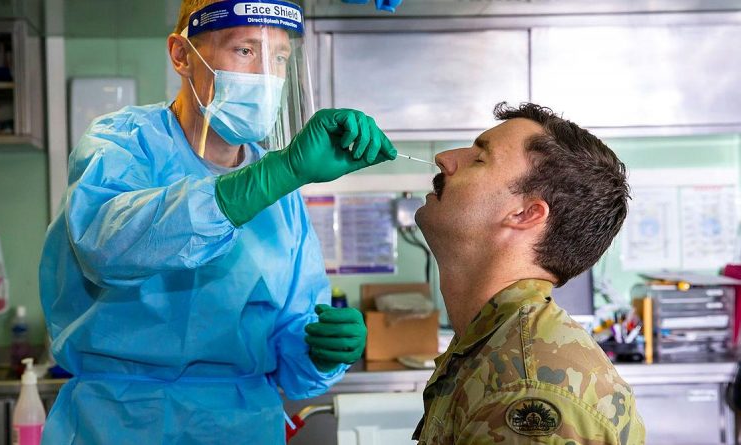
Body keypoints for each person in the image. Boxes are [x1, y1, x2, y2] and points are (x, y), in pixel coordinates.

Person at [38, 1, 395, 444]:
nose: (267, 75)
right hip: (117, 423)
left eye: (280, 57)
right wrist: (271, 177)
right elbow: (107, 247)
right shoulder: (123, 144)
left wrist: (320, 350)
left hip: (241, 426)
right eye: (245, 50)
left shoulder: (281, 194)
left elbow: (292, 344)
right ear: (182, 54)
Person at [412, 102, 645, 444]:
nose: (445, 158)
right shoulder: (490, 347)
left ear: (524, 214)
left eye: (480, 158)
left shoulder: (526, 388)